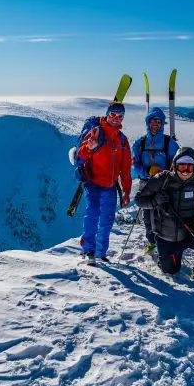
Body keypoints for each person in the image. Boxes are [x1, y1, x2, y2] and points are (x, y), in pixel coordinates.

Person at [135, 147, 194, 282]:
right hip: (166, 237)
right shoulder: (162, 179)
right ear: (175, 166)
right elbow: (139, 200)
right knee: (171, 270)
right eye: (182, 167)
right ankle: (159, 253)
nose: (185, 171)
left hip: (189, 233)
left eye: (189, 168)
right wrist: (155, 200)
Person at [76, 101, 133, 266]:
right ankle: (89, 250)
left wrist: (127, 192)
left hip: (110, 186)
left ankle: (101, 253)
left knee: (107, 220)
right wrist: (89, 147)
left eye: (120, 116)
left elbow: (126, 169)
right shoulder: (96, 133)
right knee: (92, 214)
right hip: (93, 183)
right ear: (107, 115)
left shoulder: (122, 140)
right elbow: (80, 157)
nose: (116, 118)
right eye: (113, 114)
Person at [130, 107, 180, 255]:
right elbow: (134, 166)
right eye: (152, 121)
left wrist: (168, 174)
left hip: (164, 183)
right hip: (146, 182)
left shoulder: (169, 142)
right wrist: (145, 171)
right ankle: (152, 242)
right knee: (147, 214)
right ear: (148, 122)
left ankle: (166, 242)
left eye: (158, 122)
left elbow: (176, 163)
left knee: (165, 213)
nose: (155, 124)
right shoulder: (140, 143)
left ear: (162, 124)